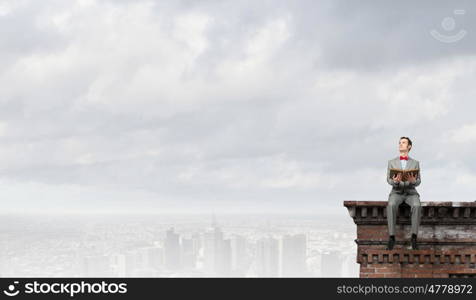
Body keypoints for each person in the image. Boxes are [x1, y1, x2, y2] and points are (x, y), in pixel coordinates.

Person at [386, 136, 421, 250]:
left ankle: (414, 237)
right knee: (391, 205)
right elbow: (388, 180)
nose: (400, 144)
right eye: (399, 143)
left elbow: (419, 181)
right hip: (396, 192)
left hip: (411, 192)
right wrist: (395, 181)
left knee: (417, 205)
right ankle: (392, 237)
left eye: (403, 143)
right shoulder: (391, 162)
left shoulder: (415, 163)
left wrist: (413, 181)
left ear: (409, 146)